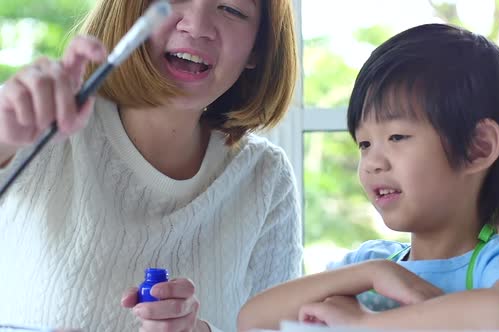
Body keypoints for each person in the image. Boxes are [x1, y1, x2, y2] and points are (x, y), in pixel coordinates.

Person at [0, 0, 302, 331]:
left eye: (231, 9)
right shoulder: (44, 125)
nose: (197, 26)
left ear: (258, 50)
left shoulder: (265, 177)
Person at [238, 23, 499, 330]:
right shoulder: (370, 262)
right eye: (364, 143)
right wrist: (374, 272)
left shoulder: (498, 263)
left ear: (477, 147)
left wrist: (366, 324)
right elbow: (252, 318)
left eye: (397, 137)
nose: (372, 163)